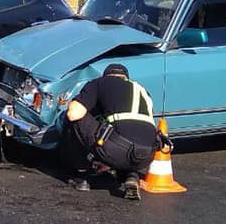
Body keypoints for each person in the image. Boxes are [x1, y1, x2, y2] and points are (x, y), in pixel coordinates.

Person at [63, 63, 159, 200]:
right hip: (147, 155)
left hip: (117, 149)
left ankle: (82, 175)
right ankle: (131, 175)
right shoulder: (143, 90)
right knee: (126, 132)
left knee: (73, 117)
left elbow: (74, 114)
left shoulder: (99, 83)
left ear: (106, 76)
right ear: (125, 77)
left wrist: (74, 103)